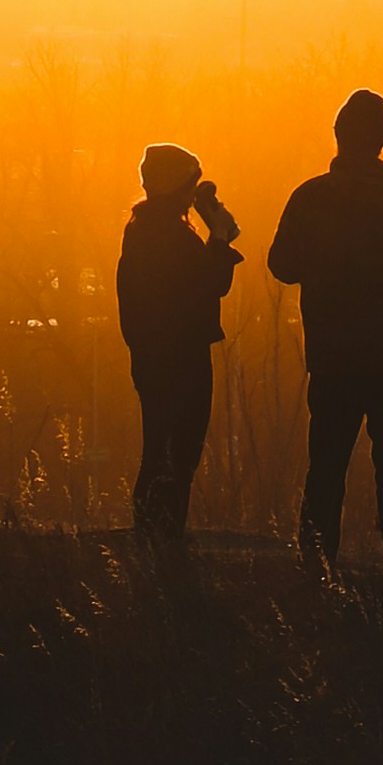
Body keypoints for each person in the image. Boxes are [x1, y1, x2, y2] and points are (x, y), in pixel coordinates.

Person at [265, 87, 383, 580]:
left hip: (333, 359)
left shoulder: (311, 197)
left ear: (338, 137)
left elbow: (281, 266)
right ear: (382, 140)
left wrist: (328, 267)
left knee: (325, 466)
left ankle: (316, 566)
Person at [114, 138, 242, 557]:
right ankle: (164, 537)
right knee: (179, 451)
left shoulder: (141, 231)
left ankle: (152, 534)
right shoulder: (170, 236)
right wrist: (219, 236)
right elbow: (209, 284)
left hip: (152, 359)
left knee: (159, 448)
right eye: (190, 186)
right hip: (181, 360)